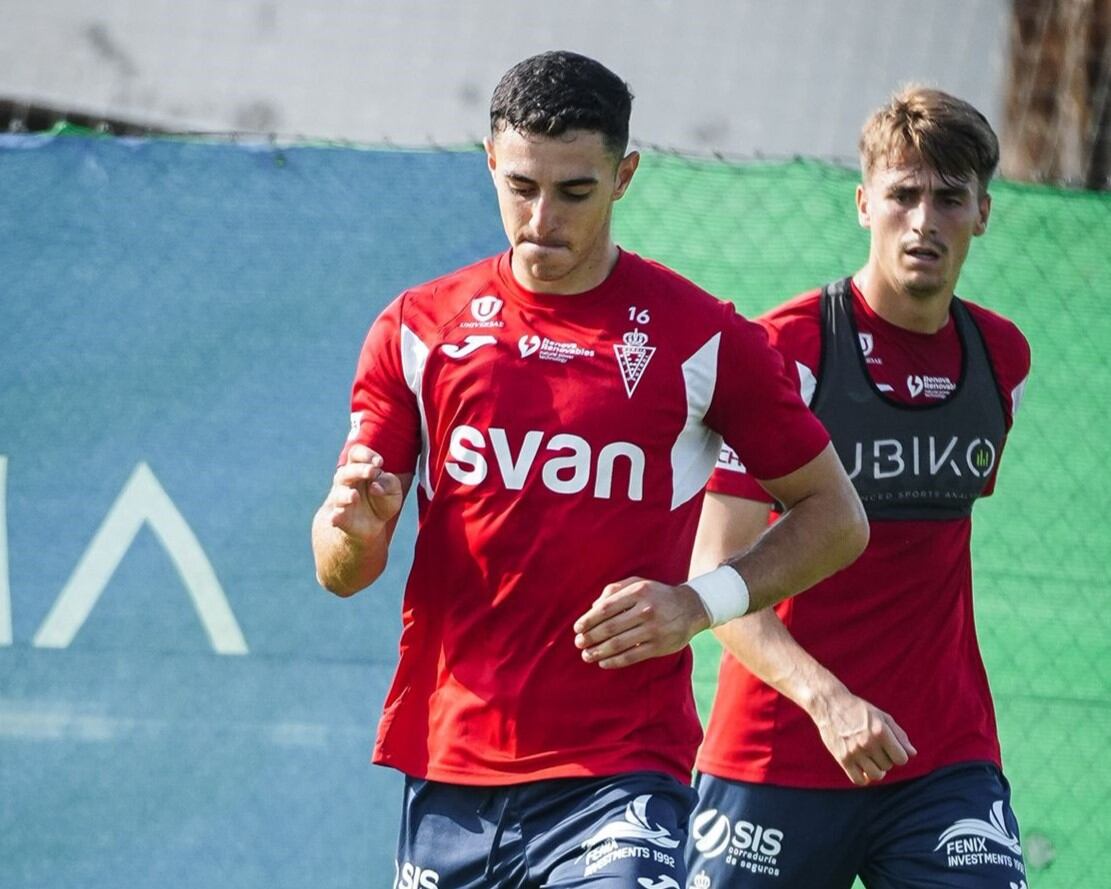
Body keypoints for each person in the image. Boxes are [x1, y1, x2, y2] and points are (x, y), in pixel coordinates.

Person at [311, 51, 867, 889]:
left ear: (624, 177)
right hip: (452, 764)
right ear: (490, 161)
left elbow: (834, 515)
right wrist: (350, 530)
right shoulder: (419, 329)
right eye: (521, 186)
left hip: (621, 771)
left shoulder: (698, 336)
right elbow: (340, 571)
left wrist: (695, 602)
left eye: (574, 191)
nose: (542, 218)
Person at [685, 86, 1032, 889]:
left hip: (940, 759)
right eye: (903, 194)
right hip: (775, 755)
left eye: (949, 198)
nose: (922, 221)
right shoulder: (786, 348)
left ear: (981, 211)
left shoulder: (1000, 359)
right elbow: (718, 568)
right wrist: (827, 697)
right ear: (862, 202)